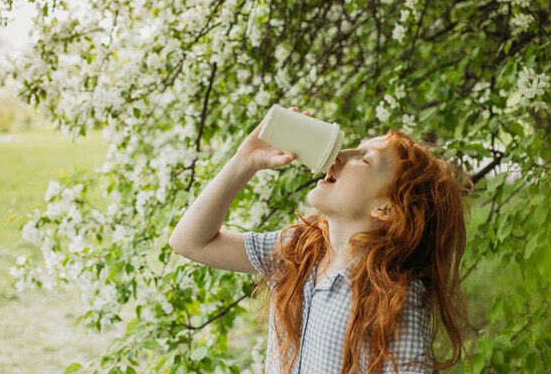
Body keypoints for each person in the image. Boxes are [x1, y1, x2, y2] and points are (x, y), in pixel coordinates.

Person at [169, 106, 475, 374]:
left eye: (364, 159)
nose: (340, 155)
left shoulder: (397, 300)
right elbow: (190, 242)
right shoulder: (297, 251)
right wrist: (244, 161)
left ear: (386, 209)